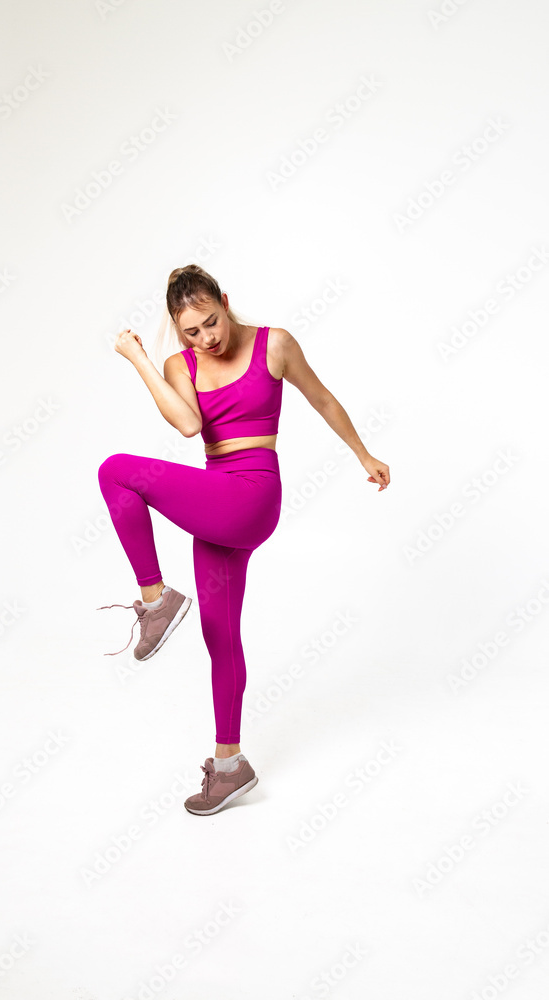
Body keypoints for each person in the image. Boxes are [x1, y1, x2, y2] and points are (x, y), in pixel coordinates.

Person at [97, 265, 390, 816]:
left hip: (252, 495)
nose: (208, 337)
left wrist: (363, 454)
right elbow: (187, 424)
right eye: (193, 332)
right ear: (178, 332)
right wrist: (140, 359)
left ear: (225, 303)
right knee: (219, 634)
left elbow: (322, 398)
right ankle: (230, 765)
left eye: (212, 322)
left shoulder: (272, 344)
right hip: (216, 501)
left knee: (115, 470)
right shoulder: (178, 365)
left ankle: (157, 601)